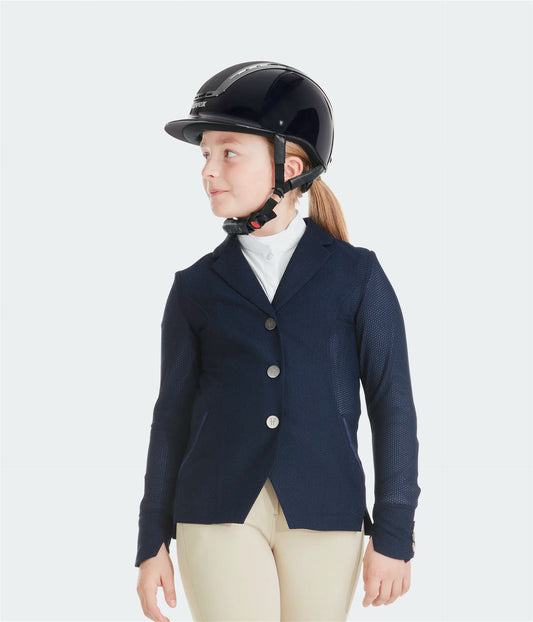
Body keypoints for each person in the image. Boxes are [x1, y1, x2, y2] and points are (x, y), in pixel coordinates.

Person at [135, 61, 421, 622]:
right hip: (216, 507)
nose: (209, 171)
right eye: (205, 155)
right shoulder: (194, 287)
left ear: (289, 167)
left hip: (326, 509)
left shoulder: (357, 276)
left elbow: (394, 407)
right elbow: (170, 417)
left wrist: (394, 531)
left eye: (228, 153)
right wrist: (151, 542)